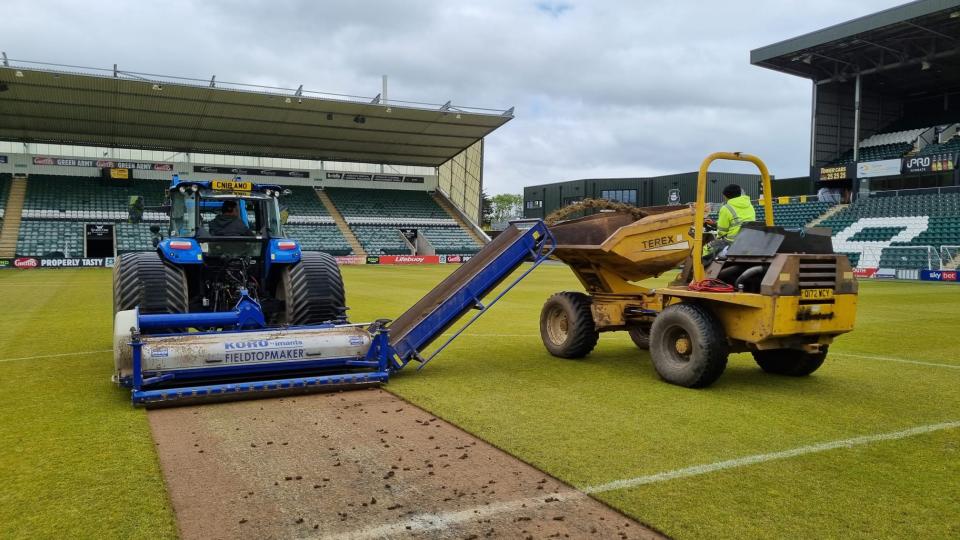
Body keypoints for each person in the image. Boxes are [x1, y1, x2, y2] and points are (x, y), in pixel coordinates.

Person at [703, 184, 756, 262]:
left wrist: (717, 238)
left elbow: (722, 231)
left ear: (726, 196)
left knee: (706, 249)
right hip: (748, 239)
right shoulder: (749, 205)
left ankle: (702, 272)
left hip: (732, 242)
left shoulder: (726, 208)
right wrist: (715, 224)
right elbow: (738, 222)